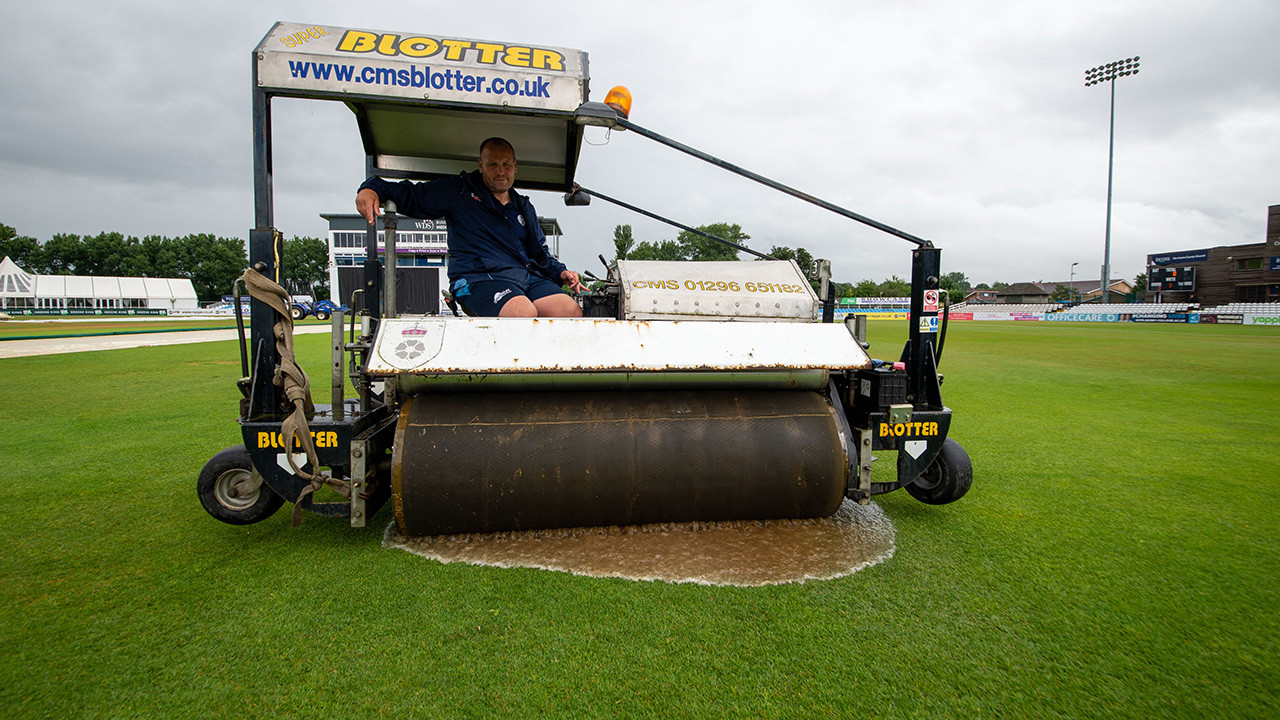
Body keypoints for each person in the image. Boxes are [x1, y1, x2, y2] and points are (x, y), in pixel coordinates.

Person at [355, 137, 584, 317]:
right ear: (481, 166)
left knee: (570, 310)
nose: (500, 171)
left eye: (506, 164)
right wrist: (370, 188)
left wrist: (561, 272)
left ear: (515, 166)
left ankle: (552, 375)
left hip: (524, 277)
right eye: (493, 165)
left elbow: (540, 255)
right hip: (477, 279)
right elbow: (411, 195)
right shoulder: (459, 192)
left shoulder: (523, 207)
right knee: (522, 312)